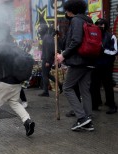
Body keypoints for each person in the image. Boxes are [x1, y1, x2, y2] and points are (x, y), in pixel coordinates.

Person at [57, 0, 95, 131]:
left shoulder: (76, 20)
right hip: (89, 60)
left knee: (67, 88)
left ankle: (82, 118)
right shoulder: (88, 20)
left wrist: (63, 55)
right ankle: (88, 121)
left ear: (71, 10)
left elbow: (76, 40)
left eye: (67, 10)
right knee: (85, 91)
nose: (66, 13)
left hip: (78, 61)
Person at [90, 18, 117, 114]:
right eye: (97, 24)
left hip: (106, 65)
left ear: (105, 25)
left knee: (108, 85)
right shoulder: (94, 35)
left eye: (101, 24)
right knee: (94, 85)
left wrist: (103, 50)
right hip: (95, 64)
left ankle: (112, 105)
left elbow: (115, 51)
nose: (99, 26)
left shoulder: (111, 36)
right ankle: (95, 104)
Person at [38, 24, 63, 97]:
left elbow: (49, 50)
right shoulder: (47, 37)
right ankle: (60, 84)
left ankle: (46, 91)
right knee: (47, 74)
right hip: (47, 59)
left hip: (46, 59)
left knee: (45, 75)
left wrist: (48, 61)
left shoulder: (47, 37)